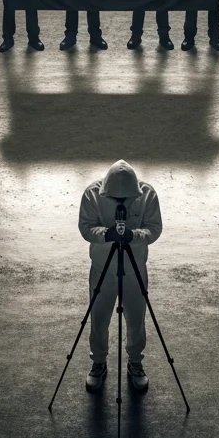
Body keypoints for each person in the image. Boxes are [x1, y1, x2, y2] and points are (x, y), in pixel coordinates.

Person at [77, 160, 163, 393]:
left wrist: (133, 235)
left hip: (135, 267)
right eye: (116, 200)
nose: (121, 203)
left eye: (126, 199)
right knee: (99, 317)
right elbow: (85, 227)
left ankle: (136, 362)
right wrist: (107, 234)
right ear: (107, 192)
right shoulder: (92, 195)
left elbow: (154, 228)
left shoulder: (148, 195)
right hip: (102, 267)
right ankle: (98, 363)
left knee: (136, 317)